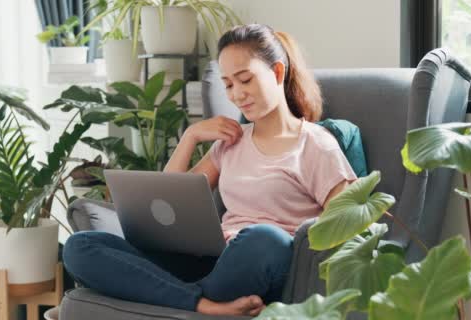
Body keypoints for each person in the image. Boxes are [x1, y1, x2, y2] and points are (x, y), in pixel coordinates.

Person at [62, 24, 357, 317]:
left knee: (265, 239)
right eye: (229, 84)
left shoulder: (316, 145)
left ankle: (173, 296)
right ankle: (206, 306)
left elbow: (347, 223)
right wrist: (190, 137)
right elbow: (167, 203)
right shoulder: (231, 143)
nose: (238, 94)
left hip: (259, 261)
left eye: (245, 80)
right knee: (80, 247)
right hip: (209, 260)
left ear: (278, 73)